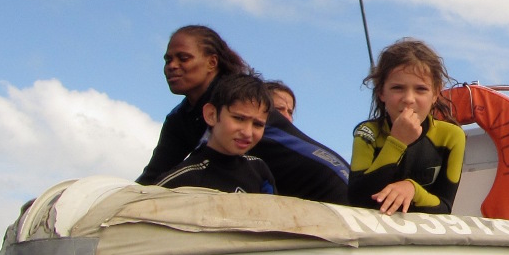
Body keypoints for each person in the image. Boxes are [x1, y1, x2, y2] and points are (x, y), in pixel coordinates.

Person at [137, 25, 350, 203]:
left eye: (183, 58)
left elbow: (196, 166)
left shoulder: (240, 101)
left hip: (331, 189)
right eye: (168, 60)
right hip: (282, 197)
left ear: (212, 62)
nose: (172, 66)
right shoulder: (180, 117)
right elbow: (153, 177)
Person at [348, 38, 466, 215]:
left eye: (421, 89)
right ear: (381, 92)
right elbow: (357, 199)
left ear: (435, 93)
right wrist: (397, 142)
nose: (409, 99)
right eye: (397, 88)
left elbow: (444, 207)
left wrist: (412, 189)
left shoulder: (451, 136)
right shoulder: (367, 133)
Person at [157, 74, 276, 194]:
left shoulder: (259, 170)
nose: (247, 133)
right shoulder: (180, 181)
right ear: (211, 115)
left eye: (258, 124)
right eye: (238, 118)